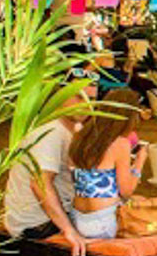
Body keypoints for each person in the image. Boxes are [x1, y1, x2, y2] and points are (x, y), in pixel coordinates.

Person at [63, 88, 150, 242]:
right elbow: (126, 191)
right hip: (103, 223)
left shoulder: (81, 137)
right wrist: (140, 161)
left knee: (141, 200)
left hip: (78, 218)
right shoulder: (120, 143)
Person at [4, 109, 84, 256]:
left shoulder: (72, 129)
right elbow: (40, 184)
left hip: (54, 214)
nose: (86, 105)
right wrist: (68, 229)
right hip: (36, 223)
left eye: (92, 99)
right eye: (79, 98)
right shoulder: (50, 132)